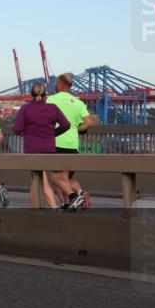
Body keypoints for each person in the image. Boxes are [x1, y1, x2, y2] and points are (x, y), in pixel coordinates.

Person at [13, 81, 75, 209]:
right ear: (46, 94)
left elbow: (17, 128)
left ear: (31, 94)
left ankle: (54, 208)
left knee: (40, 178)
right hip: (49, 147)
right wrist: (53, 134)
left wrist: (26, 132)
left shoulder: (26, 109)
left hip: (32, 149)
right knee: (37, 179)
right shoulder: (52, 108)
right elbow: (66, 125)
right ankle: (36, 209)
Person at [47, 73, 97, 210]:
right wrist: (76, 130)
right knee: (65, 178)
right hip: (73, 145)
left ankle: (75, 197)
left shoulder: (50, 100)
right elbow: (88, 123)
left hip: (56, 143)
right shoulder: (78, 102)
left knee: (57, 178)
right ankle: (72, 200)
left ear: (59, 84)